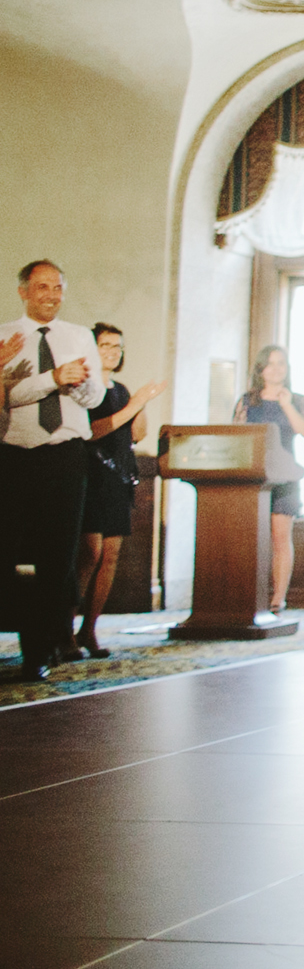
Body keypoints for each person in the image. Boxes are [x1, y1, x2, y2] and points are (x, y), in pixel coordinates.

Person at [2, 260, 101, 681]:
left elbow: (94, 398)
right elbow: (10, 397)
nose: (52, 295)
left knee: (57, 557)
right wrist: (53, 379)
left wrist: (78, 383)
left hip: (65, 456)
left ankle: (39, 652)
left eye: (58, 287)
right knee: (8, 554)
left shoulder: (78, 336)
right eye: (42, 287)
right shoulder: (5, 336)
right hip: (15, 457)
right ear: (24, 291)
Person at [75, 324, 164, 657]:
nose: (113, 351)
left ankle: (89, 630)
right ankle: (63, 630)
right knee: (89, 555)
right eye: (105, 345)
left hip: (118, 478)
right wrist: (132, 405)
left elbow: (137, 434)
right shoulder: (83, 388)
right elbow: (91, 431)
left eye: (118, 346)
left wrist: (142, 402)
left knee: (109, 558)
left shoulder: (121, 390)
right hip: (91, 476)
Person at [234, 345, 304, 613]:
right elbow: (235, 436)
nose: (276, 368)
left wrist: (286, 404)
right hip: (253, 478)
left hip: (285, 476)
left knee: (281, 536)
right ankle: (251, 593)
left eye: (281, 363)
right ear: (260, 369)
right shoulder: (248, 401)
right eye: (270, 363)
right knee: (253, 538)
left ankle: (278, 597)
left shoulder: (298, 400)